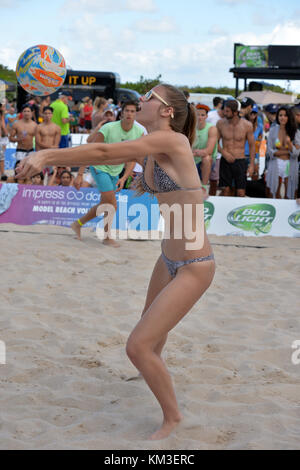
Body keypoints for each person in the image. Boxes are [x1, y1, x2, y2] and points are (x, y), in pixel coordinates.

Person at [17, 84, 215, 440]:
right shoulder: (155, 144)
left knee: (137, 345)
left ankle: (173, 418)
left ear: (167, 111)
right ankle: (151, 371)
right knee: (151, 334)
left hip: (194, 265)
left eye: (148, 98)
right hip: (167, 258)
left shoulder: (174, 142)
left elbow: (108, 150)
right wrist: (137, 179)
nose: (139, 101)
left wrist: (48, 157)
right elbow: (107, 149)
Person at [72, 100, 144, 246]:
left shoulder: (138, 132)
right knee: (112, 204)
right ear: (121, 112)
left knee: (105, 204)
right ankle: (106, 237)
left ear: (136, 114)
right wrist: (80, 174)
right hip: (100, 167)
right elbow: (90, 150)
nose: (129, 114)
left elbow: (133, 158)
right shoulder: (109, 128)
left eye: (132, 111)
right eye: (127, 110)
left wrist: (124, 177)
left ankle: (78, 224)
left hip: (116, 170)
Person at [217, 100, 255, 197]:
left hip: (240, 161)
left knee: (241, 192)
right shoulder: (220, 123)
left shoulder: (247, 125)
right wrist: (225, 154)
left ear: (235, 112)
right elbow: (215, 143)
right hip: (225, 160)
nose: (224, 113)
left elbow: (252, 145)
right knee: (225, 191)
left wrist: (251, 165)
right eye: (224, 110)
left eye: (227, 111)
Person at [266, 106, 300, 199]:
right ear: (277, 117)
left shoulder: (295, 132)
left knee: (290, 193)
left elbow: (297, 153)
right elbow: (270, 151)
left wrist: (289, 143)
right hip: (276, 163)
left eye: (285, 115)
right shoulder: (273, 131)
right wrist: (288, 151)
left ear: (289, 117)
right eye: (280, 115)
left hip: (290, 164)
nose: (282, 117)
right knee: (274, 193)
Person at [192, 104, 217, 194]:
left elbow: (209, 151)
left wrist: (193, 153)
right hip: (193, 159)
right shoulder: (191, 128)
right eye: (198, 115)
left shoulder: (211, 128)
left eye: (202, 115)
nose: (200, 117)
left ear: (206, 116)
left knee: (206, 158)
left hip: (206, 161)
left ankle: (204, 186)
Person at [207, 99, 224, 195]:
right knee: (201, 180)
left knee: (214, 181)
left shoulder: (227, 119)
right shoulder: (210, 115)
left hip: (217, 155)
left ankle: (211, 199)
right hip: (204, 153)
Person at [245, 104, 263, 180]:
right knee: (241, 178)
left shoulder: (260, 126)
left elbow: (261, 138)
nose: (252, 115)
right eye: (251, 113)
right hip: (242, 154)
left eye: (254, 113)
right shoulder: (242, 124)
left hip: (254, 155)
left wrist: (258, 143)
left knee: (254, 176)